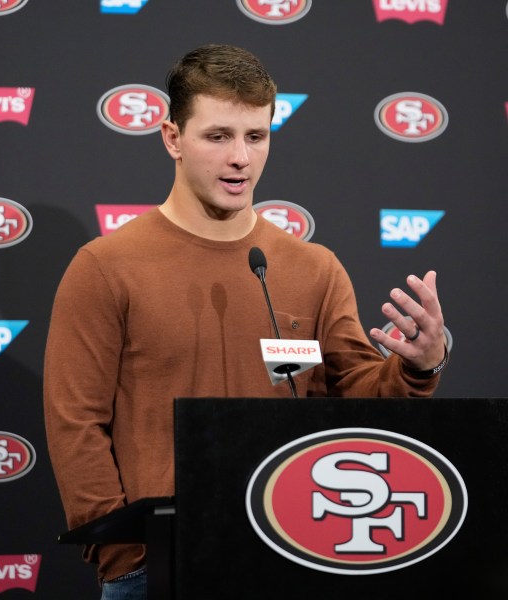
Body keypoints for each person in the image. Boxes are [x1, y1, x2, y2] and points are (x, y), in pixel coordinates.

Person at [43, 43, 448, 599]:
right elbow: (75, 422)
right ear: (172, 139)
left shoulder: (314, 268)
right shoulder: (105, 268)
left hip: (297, 552)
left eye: (255, 137)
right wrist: (126, 556)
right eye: (218, 136)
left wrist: (419, 369)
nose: (241, 158)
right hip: (161, 566)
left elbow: (359, 401)